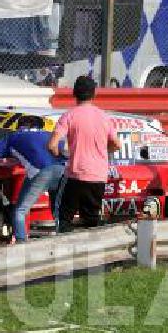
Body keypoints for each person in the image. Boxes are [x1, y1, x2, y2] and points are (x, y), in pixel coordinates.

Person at [0, 115, 65, 243]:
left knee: (20, 211)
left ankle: (21, 243)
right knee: (57, 208)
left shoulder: (13, 137)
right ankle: (63, 237)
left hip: (41, 172)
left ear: (19, 126)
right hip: (63, 170)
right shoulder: (49, 134)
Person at [47, 76, 120, 233]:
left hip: (76, 174)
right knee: (92, 220)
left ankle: (64, 251)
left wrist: (60, 155)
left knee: (63, 218)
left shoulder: (69, 116)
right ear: (94, 94)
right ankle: (92, 254)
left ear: (74, 94)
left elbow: (52, 145)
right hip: (98, 176)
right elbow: (116, 145)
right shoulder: (104, 117)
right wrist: (101, 151)